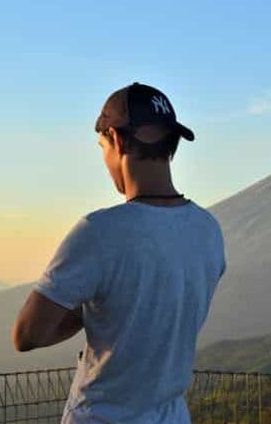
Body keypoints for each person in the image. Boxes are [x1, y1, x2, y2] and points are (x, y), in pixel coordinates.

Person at [12, 82, 226, 424]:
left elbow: (27, 334)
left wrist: (92, 310)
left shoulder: (99, 232)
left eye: (102, 147)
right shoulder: (208, 231)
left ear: (118, 139)